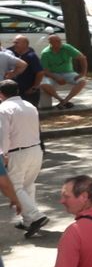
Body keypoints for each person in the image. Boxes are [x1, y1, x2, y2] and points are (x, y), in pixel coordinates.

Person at [1, 79, 50, 236]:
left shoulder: (3, 108)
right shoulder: (30, 106)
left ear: (1, 94)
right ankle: (28, 220)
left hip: (17, 152)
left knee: (15, 187)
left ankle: (36, 216)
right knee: (27, 185)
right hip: (35, 149)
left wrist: (3, 153)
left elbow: (4, 134)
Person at [38, 32, 88, 108]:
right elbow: (45, 70)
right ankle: (60, 100)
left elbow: (82, 58)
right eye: (57, 41)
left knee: (82, 81)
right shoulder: (45, 53)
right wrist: (56, 77)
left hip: (68, 73)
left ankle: (66, 100)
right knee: (44, 84)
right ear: (51, 43)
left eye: (60, 40)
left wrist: (83, 73)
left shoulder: (67, 47)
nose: (60, 43)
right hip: (52, 74)